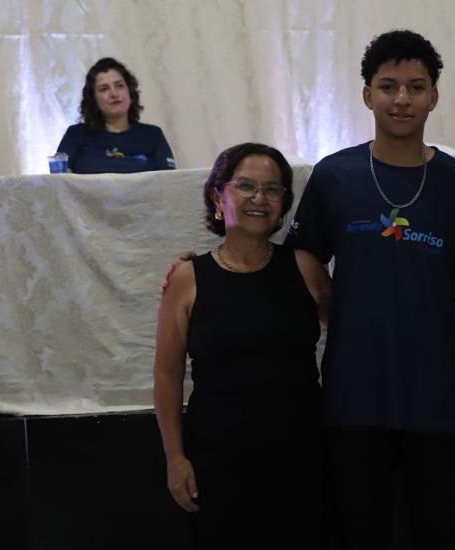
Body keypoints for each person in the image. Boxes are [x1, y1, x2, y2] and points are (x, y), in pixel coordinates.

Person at [286, 30, 455, 549]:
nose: (402, 99)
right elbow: (304, 252)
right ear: (367, 94)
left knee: (438, 531)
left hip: (439, 393)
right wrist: (332, 306)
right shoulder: (335, 175)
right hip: (355, 391)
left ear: (433, 96)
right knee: (360, 531)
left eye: (416, 87)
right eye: (388, 86)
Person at [152, 142, 329, 549]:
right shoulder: (187, 279)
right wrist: (175, 458)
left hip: (302, 454)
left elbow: (348, 331)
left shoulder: (306, 267)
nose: (259, 198)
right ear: (218, 196)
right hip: (217, 459)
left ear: (283, 203)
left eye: (272, 189)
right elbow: (167, 373)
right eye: (245, 186)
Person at [57, 57, 176, 173]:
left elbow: (170, 181)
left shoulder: (153, 136)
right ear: (94, 100)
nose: (114, 94)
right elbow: (58, 181)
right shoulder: (75, 135)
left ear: (130, 93)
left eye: (119, 86)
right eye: (104, 89)